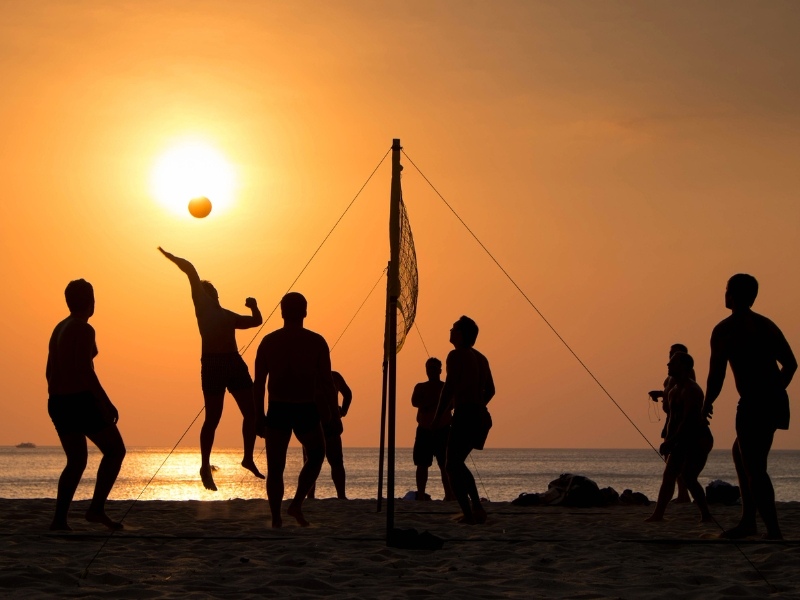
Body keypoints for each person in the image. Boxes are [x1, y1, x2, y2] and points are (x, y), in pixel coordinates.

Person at [158, 247, 264, 491]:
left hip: (234, 362)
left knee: (252, 413)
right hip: (214, 364)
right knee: (213, 418)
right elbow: (191, 271)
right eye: (208, 291)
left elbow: (256, 322)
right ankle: (205, 465)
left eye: (213, 291)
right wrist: (170, 257)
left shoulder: (227, 315)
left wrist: (254, 306)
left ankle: (248, 458)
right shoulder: (202, 307)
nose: (212, 294)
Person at [704, 274, 797, 540]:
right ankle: (748, 521)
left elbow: (716, 376)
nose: (724, 295)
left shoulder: (725, 329)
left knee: (755, 466)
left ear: (732, 295)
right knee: (740, 454)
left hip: (755, 403)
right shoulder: (766, 325)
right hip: (774, 400)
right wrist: (776, 389)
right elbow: (791, 364)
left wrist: (706, 403)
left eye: (726, 290)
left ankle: (773, 531)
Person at [46, 279, 126, 531]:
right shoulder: (82, 328)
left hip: (58, 401)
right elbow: (85, 371)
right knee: (115, 450)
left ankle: (59, 520)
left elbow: (50, 371)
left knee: (77, 460)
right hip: (79, 400)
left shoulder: (60, 327)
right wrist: (106, 402)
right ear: (90, 302)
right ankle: (96, 509)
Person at [253, 292, 337, 527]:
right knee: (314, 455)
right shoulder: (315, 341)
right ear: (305, 312)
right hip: (298, 408)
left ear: (282, 312)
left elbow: (258, 384)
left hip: (285, 408)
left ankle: (279, 516)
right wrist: (334, 413)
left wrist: (258, 415)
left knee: (279, 465)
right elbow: (327, 382)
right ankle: (293, 506)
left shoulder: (270, 341)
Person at [434, 316, 495, 524]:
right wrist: (478, 404)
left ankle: (470, 513)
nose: (450, 331)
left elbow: (448, 387)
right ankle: (476, 508)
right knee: (457, 463)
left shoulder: (456, 355)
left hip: (467, 414)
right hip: (480, 415)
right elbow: (491, 390)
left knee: (451, 465)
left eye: (453, 328)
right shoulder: (481, 357)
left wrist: (439, 415)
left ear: (461, 334)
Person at [645, 351, 713, 523]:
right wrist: (668, 439)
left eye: (673, 363)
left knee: (689, 477)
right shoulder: (673, 390)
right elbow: (672, 421)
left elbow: (688, 420)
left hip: (698, 438)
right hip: (679, 438)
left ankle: (705, 514)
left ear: (684, 366)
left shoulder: (692, 390)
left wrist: (672, 441)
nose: (668, 365)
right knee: (669, 475)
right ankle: (658, 514)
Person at [648, 343, 696, 503]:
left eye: (674, 354)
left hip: (679, 420)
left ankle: (684, 495)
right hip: (670, 419)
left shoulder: (688, 374)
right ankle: (682, 494)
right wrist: (660, 394)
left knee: (677, 461)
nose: (670, 358)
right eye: (670, 353)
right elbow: (672, 392)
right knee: (670, 458)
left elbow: (686, 392)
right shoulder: (671, 376)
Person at [411, 358, 454, 501]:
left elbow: (452, 404)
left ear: (440, 371)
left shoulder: (446, 387)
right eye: (429, 368)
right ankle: (421, 495)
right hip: (424, 430)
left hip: (443, 430)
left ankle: (449, 494)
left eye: (435, 369)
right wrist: (432, 402)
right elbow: (415, 402)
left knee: (445, 465)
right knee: (422, 464)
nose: (432, 371)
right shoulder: (420, 387)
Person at [305, 370, 352, 499]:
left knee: (335, 462)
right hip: (313, 424)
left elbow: (348, 394)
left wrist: (343, 410)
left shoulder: (334, 376)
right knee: (313, 463)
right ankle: (311, 496)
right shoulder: (308, 375)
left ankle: (340, 495)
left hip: (329, 425)